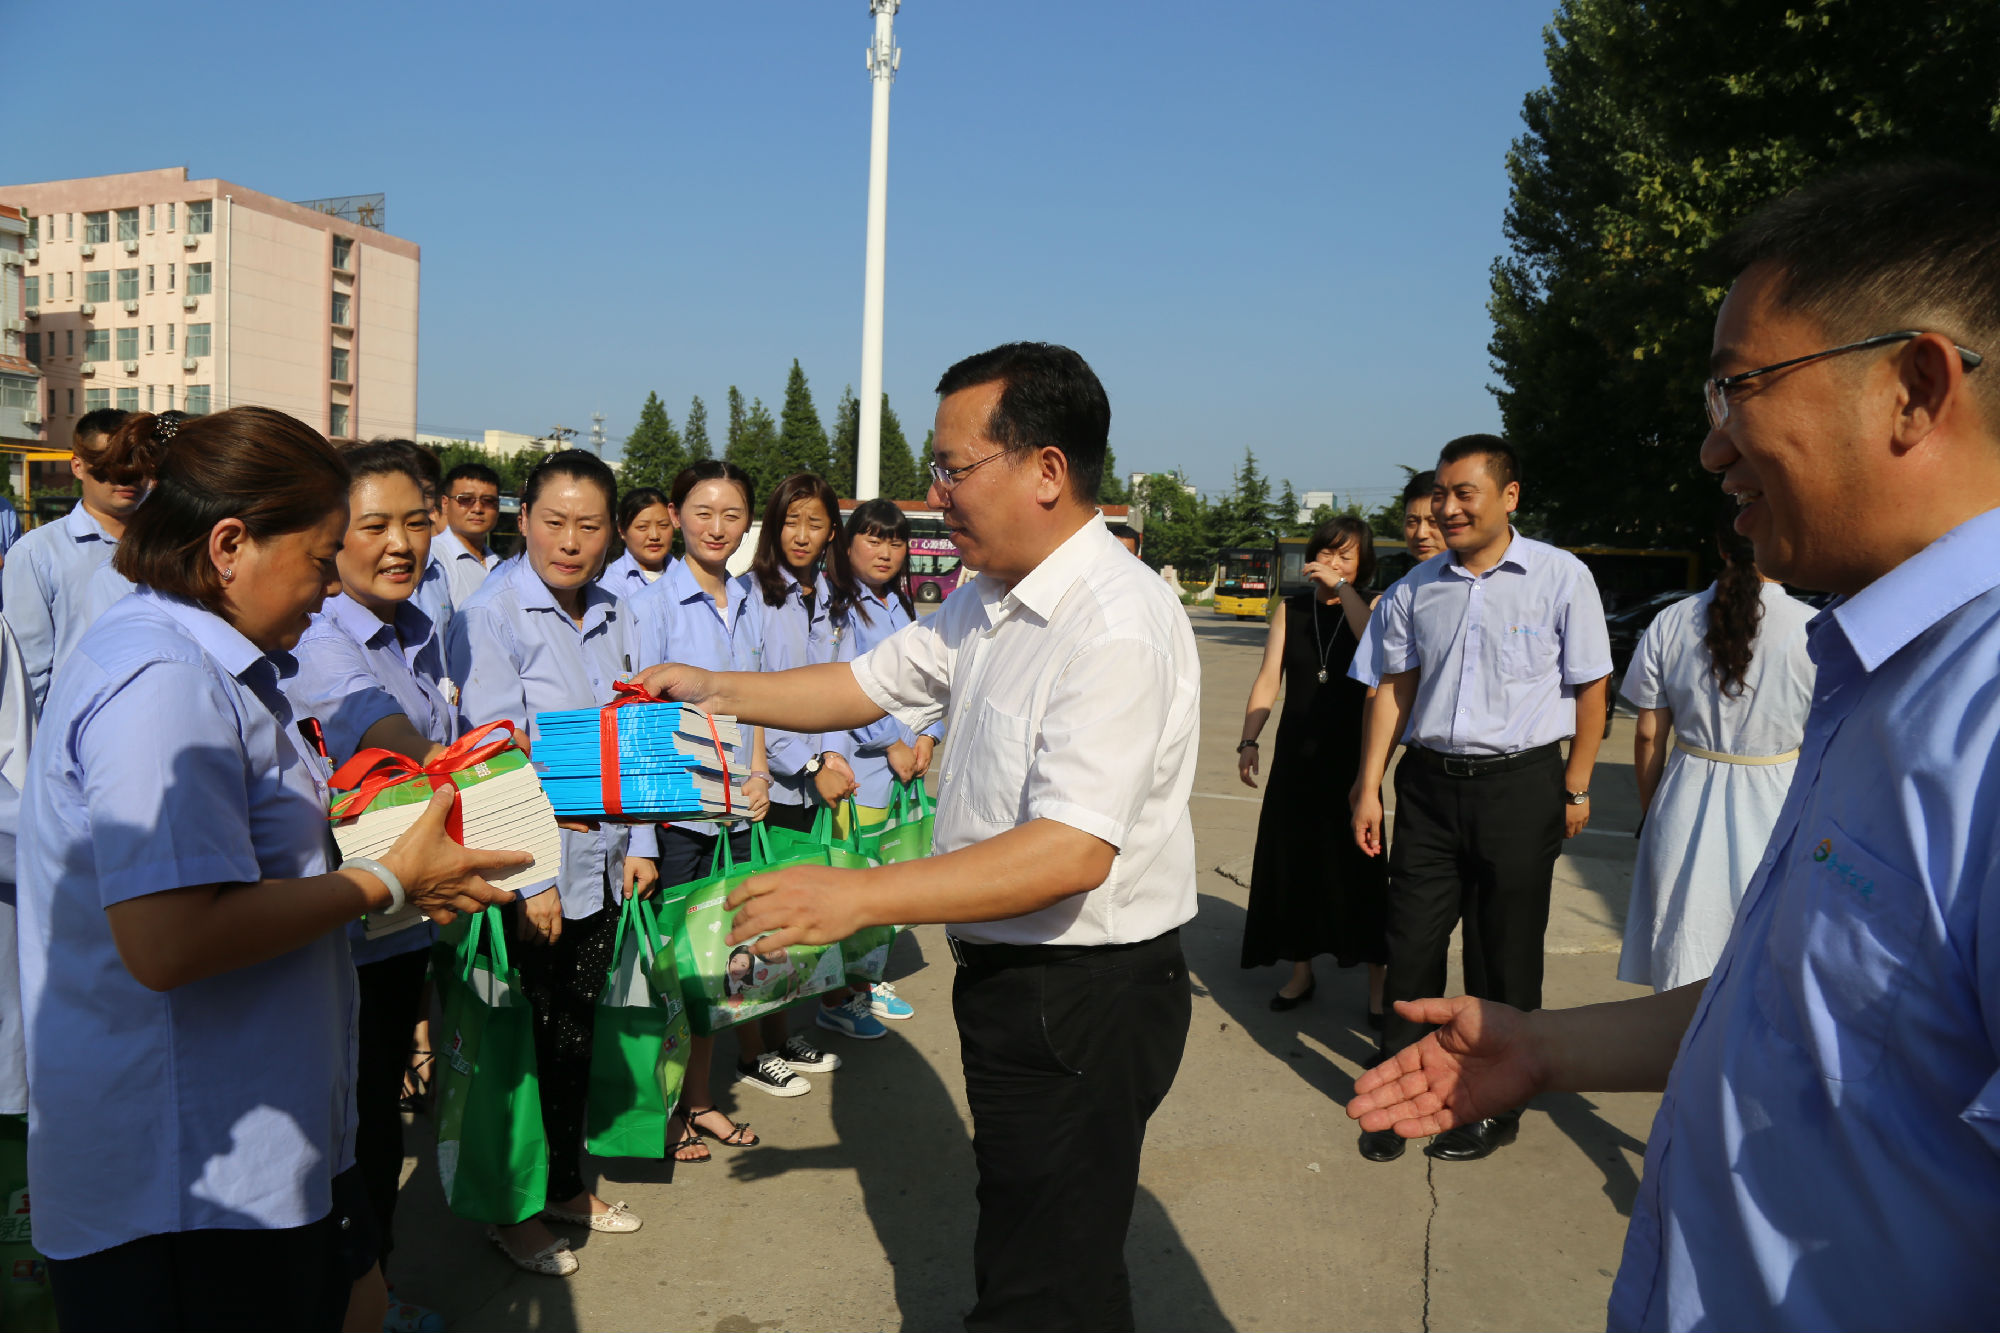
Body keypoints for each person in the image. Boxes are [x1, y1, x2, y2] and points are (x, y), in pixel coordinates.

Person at [1347, 162, 2000, 1332]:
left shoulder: (1980, 718)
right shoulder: (1880, 670)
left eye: (1736, 387)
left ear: (1912, 387)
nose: (1710, 447)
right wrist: (1543, 1046)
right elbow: (1800, 1004)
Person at [633, 342, 1199, 1333]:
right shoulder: (990, 597)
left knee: (1045, 1275)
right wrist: (717, 688)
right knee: (1042, 1242)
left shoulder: (1112, 623)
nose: (936, 495)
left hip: (1082, 993)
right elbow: (864, 684)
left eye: (952, 467)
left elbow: (1070, 849)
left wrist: (853, 896)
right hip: (1017, 976)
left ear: (1046, 470)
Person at [15, 407, 524, 1331]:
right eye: (322, 559)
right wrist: (387, 880)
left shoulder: (219, 663)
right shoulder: (163, 679)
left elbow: (257, 860)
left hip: (259, 1140)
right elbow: (169, 938)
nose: (328, 591)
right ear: (228, 546)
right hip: (187, 1182)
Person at [1349, 435, 1611, 1164]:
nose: (1448, 507)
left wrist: (1577, 782)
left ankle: (1494, 1103)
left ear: (1509, 496)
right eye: (1441, 493)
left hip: (1520, 787)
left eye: (1465, 492)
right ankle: (1399, 1092)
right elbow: (1394, 688)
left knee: (1504, 953)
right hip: (1429, 789)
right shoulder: (1415, 588)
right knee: (1411, 945)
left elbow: (1592, 688)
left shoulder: (1561, 577)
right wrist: (1368, 783)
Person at [447, 449, 659, 1276]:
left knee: (573, 1032)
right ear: (523, 519)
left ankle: (565, 1183)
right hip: (531, 871)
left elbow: (634, 733)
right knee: (520, 1047)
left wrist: (642, 841)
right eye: (555, 521)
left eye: (590, 525)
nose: (571, 542)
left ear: (612, 532)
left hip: (601, 860)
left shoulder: (614, 609)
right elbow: (491, 758)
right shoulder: (491, 615)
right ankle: (513, 1210)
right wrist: (533, 878)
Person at [283, 442, 459, 1333]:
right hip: (343, 925)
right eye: (375, 525)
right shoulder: (319, 631)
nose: (401, 543)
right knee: (349, 1126)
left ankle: (372, 1293)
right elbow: (373, 723)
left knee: (376, 1116)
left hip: (400, 918)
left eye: (416, 522)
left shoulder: (420, 626)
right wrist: (455, 770)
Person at [626, 459, 777, 1161]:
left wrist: (759, 772)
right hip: (678, 817)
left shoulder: (748, 598)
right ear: (675, 515)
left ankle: (701, 1098)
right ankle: (660, 1108)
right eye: (703, 512)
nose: (717, 527)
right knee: (668, 969)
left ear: (748, 524)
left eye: (732, 514)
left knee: (717, 964)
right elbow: (636, 721)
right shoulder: (651, 604)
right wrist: (643, 836)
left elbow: (756, 698)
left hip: (737, 814)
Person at [1617, 513, 1815, 990]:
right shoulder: (1813, 628)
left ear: (1722, 548)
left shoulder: (1671, 620)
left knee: (1682, 939)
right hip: (1777, 797)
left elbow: (1648, 735)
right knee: (1762, 944)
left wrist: (1653, 810)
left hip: (1684, 793)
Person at [746, 473, 887, 1048]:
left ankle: (786, 1028)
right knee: (768, 910)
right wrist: (811, 765)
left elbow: (843, 689)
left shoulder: (835, 599)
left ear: (832, 532)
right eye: (791, 521)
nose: (801, 535)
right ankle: (762, 1043)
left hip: (821, 781)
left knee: (802, 910)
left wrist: (833, 755)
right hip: (773, 786)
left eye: (815, 523)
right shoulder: (755, 595)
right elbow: (760, 699)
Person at [1237, 516, 1388, 1019]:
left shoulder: (1374, 605)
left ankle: (1377, 984)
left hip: (1352, 761)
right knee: (1295, 863)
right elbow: (1268, 679)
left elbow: (1375, 649)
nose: (1334, 562)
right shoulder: (1291, 609)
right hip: (1296, 759)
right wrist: (1249, 740)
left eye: (1347, 556)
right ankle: (1301, 971)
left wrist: (1343, 588)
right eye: (1328, 552)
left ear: (1363, 565)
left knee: (1361, 869)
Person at [825, 497, 941, 1022]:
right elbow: (844, 687)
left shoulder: (899, 604)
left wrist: (928, 736)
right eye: (873, 539)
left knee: (887, 875)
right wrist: (891, 741)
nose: (885, 551)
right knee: (855, 879)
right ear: (848, 543)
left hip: (900, 774)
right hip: (861, 772)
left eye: (895, 542)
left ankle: (864, 978)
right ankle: (842, 995)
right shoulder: (842, 608)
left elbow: (928, 681)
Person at [4, 407, 149, 711]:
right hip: (76, 725)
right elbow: (28, 671)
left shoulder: (174, 545)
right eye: (109, 465)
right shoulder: (38, 552)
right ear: (78, 467)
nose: (125, 476)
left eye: (136, 463)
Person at [439, 462, 503, 608]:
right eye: (466, 500)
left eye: (488, 501)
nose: (478, 509)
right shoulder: (432, 559)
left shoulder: (500, 565)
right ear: (445, 504)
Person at [600, 485, 674, 598]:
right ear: (622, 530)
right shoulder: (612, 583)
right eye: (642, 527)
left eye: (663, 525)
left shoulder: (689, 573)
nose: (654, 536)